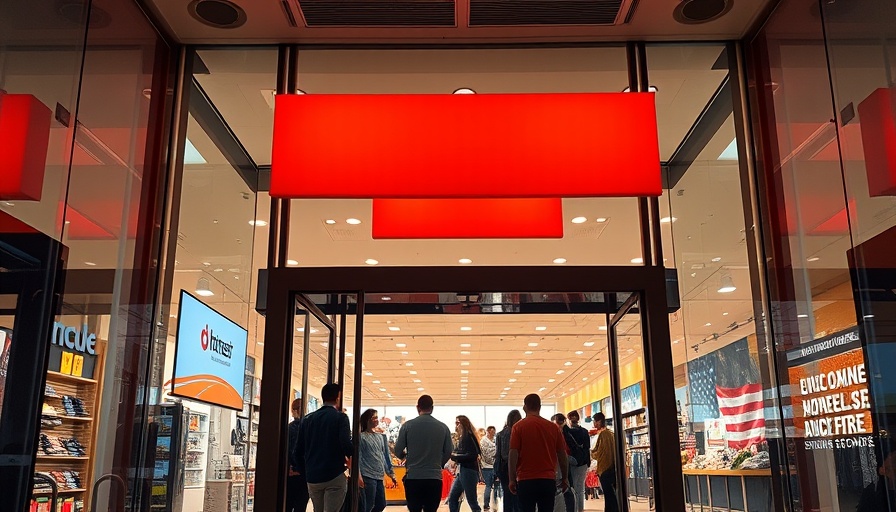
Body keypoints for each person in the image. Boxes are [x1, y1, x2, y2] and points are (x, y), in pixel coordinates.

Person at [294, 383, 353, 512]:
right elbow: (346, 445)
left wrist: (305, 473)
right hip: (334, 475)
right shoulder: (340, 418)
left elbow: (297, 451)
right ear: (338, 398)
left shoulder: (308, 419)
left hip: (313, 477)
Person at [509, 394, 569, 512]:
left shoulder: (518, 427)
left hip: (525, 480)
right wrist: (565, 477)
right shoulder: (553, 427)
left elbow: (513, 454)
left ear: (525, 407)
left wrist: (511, 478)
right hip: (547, 480)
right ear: (539, 407)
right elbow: (562, 455)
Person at [394, 395, 453, 512]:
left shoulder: (407, 426)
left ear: (417, 407)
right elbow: (448, 451)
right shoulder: (443, 427)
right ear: (432, 408)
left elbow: (397, 450)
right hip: (434, 477)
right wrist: (439, 463)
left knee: (414, 509)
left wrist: (406, 458)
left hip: (413, 477)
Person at [359, 408, 398, 512]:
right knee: (368, 504)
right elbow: (358, 457)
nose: (377, 420)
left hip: (379, 475)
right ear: (368, 420)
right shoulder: (361, 437)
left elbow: (385, 456)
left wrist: (391, 474)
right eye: (374, 418)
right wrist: (358, 476)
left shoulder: (381, 437)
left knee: (381, 503)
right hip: (367, 475)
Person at [447, 415, 483, 512]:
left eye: (458, 423)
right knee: (453, 498)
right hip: (464, 471)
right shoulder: (465, 437)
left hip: (468, 471)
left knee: (472, 501)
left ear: (463, 424)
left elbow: (473, 455)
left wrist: (455, 457)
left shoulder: (468, 437)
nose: (456, 425)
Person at [590, 412, 618, 512]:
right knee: (611, 493)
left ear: (599, 421)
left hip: (604, 467)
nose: (593, 423)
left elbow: (598, 452)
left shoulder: (603, 435)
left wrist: (591, 452)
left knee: (608, 494)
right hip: (613, 466)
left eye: (594, 421)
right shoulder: (611, 433)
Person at [495, 410, 522, 512]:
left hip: (502, 468)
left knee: (507, 495)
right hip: (515, 467)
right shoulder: (516, 432)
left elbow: (498, 453)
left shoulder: (500, 434)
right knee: (516, 495)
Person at [565, 411, 591, 512]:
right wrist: (588, 462)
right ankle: (581, 509)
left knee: (574, 488)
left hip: (573, 462)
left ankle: (575, 509)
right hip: (583, 462)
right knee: (581, 489)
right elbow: (587, 448)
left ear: (569, 419)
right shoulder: (584, 431)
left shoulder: (568, 432)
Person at [287, 399, 310, 512]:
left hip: (293, 473)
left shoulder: (289, 428)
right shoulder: (305, 429)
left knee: (290, 503)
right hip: (301, 473)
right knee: (300, 505)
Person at [550, 414, 576, 512]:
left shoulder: (556, 432)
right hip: (566, 463)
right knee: (569, 491)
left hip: (560, 466)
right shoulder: (566, 431)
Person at [480, 426, 497, 510]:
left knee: (496, 486)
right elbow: (486, 454)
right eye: (492, 432)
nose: (493, 433)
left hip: (495, 466)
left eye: (494, 432)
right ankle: (486, 504)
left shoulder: (495, 440)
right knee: (488, 486)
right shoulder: (483, 441)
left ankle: (495, 503)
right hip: (486, 467)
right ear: (488, 431)